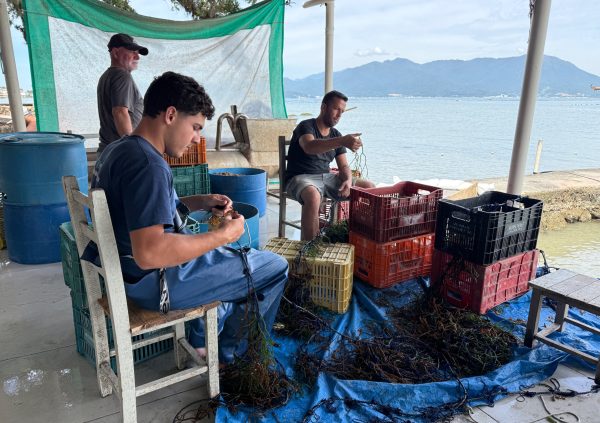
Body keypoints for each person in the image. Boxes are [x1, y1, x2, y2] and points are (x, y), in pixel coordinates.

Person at [91, 71, 288, 363]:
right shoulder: (150, 166)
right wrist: (224, 235)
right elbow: (150, 252)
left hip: (125, 274)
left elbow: (141, 210)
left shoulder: (119, 150)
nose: (197, 139)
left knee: (227, 256)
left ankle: (206, 335)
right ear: (171, 115)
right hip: (156, 282)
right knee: (274, 266)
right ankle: (232, 358)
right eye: (195, 127)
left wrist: (200, 201)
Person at [285, 90, 375, 240]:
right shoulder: (306, 126)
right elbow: (309, 146)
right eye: (336, 109)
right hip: (300, 177)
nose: (339, 115)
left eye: (342, 111)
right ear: (324, 107)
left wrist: (346, 180)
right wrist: (342, 141)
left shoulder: (336, 134)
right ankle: (310, 251)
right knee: (313, 196)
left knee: (369, 187)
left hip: (326, 178)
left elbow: (344, 166)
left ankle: (358, 238)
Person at [96, 33, 147, 154]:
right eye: (132, 52)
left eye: (137, 53)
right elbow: (120, 112)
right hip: (121, 153)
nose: (137, 57)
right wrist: (132, 149)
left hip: (109, 150)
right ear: (115, 53)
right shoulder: (122, 76)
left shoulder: (106, 76)